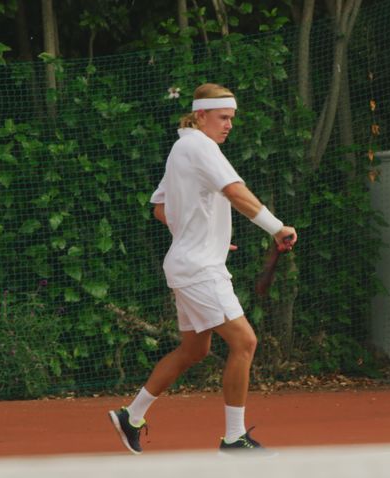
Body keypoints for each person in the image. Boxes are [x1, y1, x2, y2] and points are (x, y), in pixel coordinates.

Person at [108, 83, 297, 455]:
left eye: (231, 119)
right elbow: (235, 191)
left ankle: (132, 415)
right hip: (199, 268)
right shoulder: (199, 146)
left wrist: (203, 232)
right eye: (223, 118)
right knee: (245, 341)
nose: (229, 125)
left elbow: (161, 209)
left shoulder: (182, 149)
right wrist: (278, 228)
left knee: (194, 351)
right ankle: (233, 438)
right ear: (200, 116)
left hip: (189, 262)